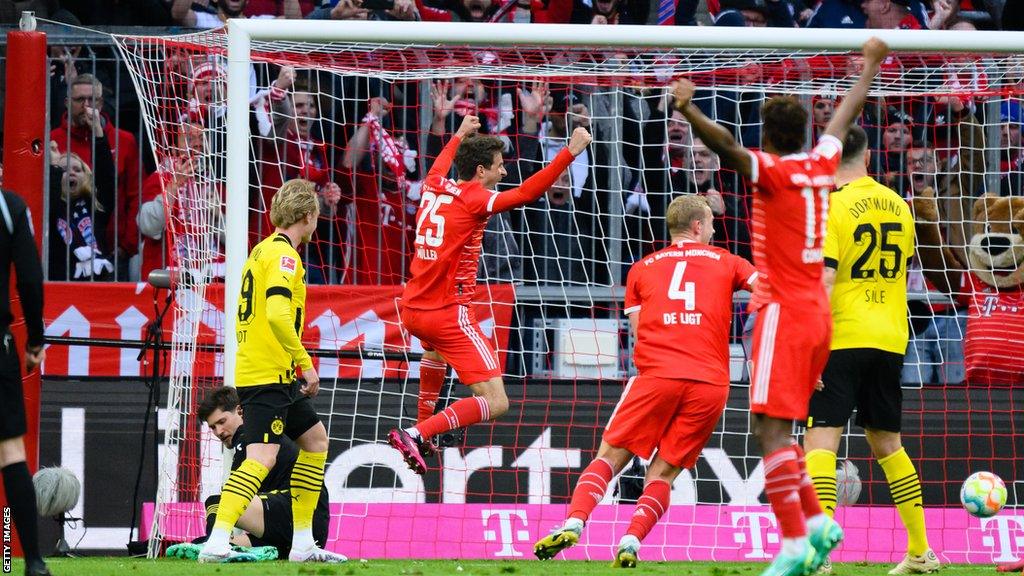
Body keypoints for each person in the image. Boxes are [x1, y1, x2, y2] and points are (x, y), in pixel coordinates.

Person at [673, 35, 890, 576]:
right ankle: (817, 523)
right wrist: (869, 65)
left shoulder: (770, 172)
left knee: (767, 430)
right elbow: (845, 114)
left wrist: (688, 108)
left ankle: (794, 541)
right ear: (806, 136)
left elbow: (724, 146)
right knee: (781, 427)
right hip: (820, 315)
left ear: (767, 138)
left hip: (782, 311)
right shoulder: (822, 164)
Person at [533, 195, 757, 567]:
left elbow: (638, 332)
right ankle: (631, 542)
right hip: (710, 382)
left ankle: (574, 522)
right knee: (664, 473)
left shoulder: (641, 268)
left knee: (610, 457)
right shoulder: (729, 262)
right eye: (712, 225)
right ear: (699, 226)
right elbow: (767, 289)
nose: (715, 230)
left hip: (657, 375)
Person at [386, 115, 591, 474]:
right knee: (496, 402)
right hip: (449, 312)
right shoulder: (475, 200)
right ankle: (417, 433)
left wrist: (459, 134)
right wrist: (569, 153)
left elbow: (439, 164)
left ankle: (423, 427)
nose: (504, 173)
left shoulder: (434, 185)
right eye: (499, 167)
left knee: (434, 352)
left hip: (413, 307)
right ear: (480, 171)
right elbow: (527, 193)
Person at [802, 125, 936, 575]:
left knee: (820, 442)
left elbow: (823, 280)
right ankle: (920, 552)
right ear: (870, 154)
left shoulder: (831, 206)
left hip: (842, 334)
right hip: (891, 336)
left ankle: (819, 557)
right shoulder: (900, 205)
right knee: (889, 445)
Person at [198, 180, 344, 564]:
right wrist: (305, 363)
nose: (317, 222)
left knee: (314, 440)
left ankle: (302, 543)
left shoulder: (261, 250)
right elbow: (278, 314)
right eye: (315, 215)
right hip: (268, 375)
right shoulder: (285, 257)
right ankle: (216, 541)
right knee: (261, 458)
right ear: (306, 216)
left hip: (270, 373)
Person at [194, 387, 330, 559]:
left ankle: (212, 543)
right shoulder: (261, 436)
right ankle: (208, 544)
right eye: (213, 427)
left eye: (222, 422)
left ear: (240, 411)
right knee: (212, 544)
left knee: (220, 503)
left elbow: (237, 500)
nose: (218, 432)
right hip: (306, 531)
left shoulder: (249, 438)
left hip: (295, 516)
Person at [0, 190, 49, 576]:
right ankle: (32, 560)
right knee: (11, 452)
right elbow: (30, 277)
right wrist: (35, 338)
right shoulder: (11, 205)